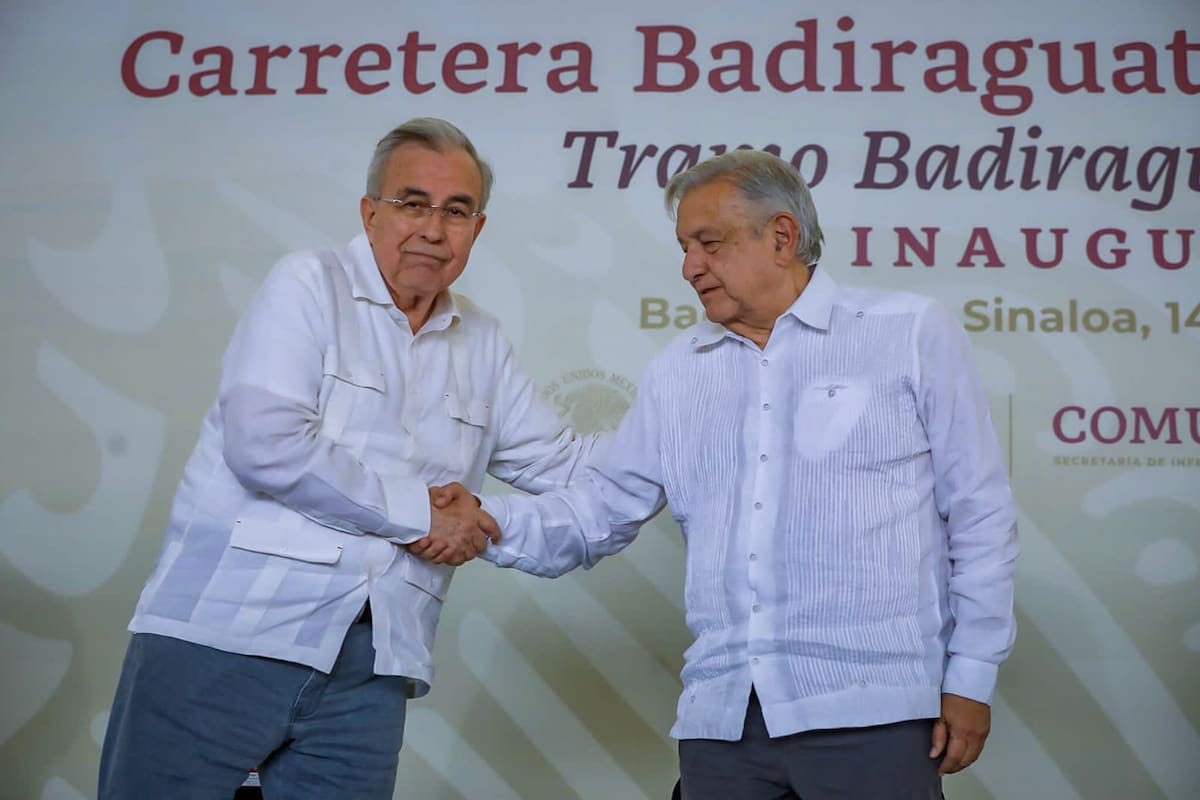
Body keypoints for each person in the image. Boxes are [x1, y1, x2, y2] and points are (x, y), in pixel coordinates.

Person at [419, 149, 1019, 799]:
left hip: (871, 717)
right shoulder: (681, 369)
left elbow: (980, 515)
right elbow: (602, 507)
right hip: (722, 724)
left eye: (709, 243)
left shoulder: (908, 333)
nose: (689, 267)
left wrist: (970, 678)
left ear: (782, 237)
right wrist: (487, 517)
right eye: (684, 247)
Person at [99, 117, 593, 799]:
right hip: (228, 633)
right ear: (370, 213)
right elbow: (265, 445)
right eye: (412, 203)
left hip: (375, 659)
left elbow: (571, 470)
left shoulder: (482, 339)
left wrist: (688, 441)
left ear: (478, 231)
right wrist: (426, 513)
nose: (432, 228)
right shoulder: (307, 283)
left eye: (456, 211)